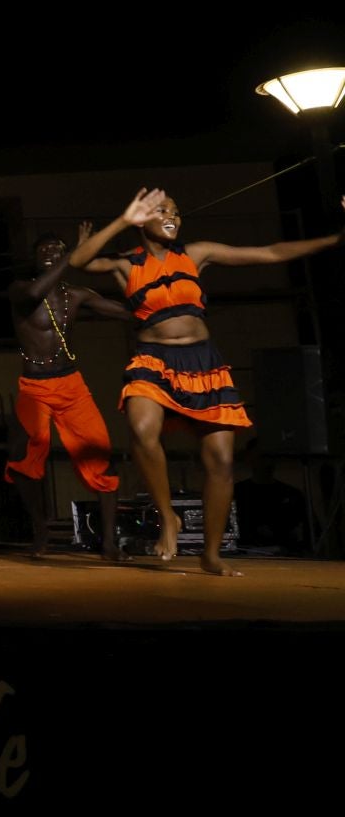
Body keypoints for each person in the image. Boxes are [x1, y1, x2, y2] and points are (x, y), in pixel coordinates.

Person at [70, 190, 343, 575]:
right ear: (142, 219)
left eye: (177, 212)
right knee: (142, 429)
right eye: (162, 210)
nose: (172, 216)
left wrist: (335, 239)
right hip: (153, 361)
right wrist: (122, 220)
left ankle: (211, 555)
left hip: (204, 363)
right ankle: (168, 518)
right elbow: (78, 260)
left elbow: (270, 253)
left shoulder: (196, 254)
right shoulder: (126, 263)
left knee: (220, 461)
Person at [4, 227, 133, 559]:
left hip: (71, 385)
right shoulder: (20, 289)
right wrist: (72, 254)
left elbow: (126, 312)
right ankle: (40, 528)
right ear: (34, 257)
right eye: (43, 249)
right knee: (23, 459)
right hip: (34, 387)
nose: (49, 253)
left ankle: (107, 542)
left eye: (56, 250)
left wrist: (140, 284)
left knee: (101, 456)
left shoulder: (76, 294)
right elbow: (34, 294)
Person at [232, 444, 309, 553]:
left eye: (270, 457)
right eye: (261, 457)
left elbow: (304, 527)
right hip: (245, 550)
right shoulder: (237, 492)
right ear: (249, 460)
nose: (267, 462)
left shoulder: (291, 494)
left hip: (284, 551)